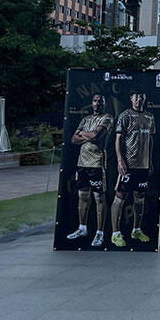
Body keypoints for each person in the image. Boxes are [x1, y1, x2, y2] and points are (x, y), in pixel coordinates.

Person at [66, 94, 114, 247]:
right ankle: (82, 228)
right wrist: (88, 136)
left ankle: (99, 233)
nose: (97, 103)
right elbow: (73, 139)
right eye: (95, 100)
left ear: (104, 104)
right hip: (82, 163)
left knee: (99, 198)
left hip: (97, 163)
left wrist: (83, 134)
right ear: (91, 103)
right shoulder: (85, 120)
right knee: (82, 196)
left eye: (101, 101)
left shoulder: (107, 118)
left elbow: (95, 135)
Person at [111, 92, 156, 247]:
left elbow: (150, 139)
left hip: (143, 166)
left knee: (140, 196)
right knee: (120, 196)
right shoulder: (125, 116)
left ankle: (136, 229)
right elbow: (118, 139)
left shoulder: (150, 117)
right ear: (131, 99)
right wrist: (120, 161)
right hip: (128, 165)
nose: (139, 99)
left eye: (142, 96)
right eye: (136, 97)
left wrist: (149, 161)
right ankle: (115, 233)